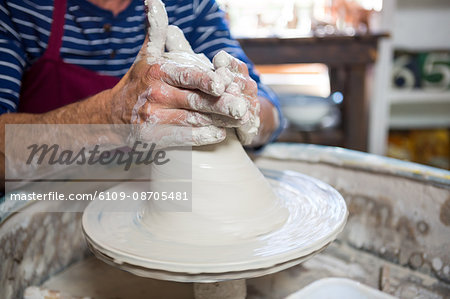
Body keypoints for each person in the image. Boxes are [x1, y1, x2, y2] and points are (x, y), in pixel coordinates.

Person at [0, 0, 283, 181]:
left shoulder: (190, 6)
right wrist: (112, 116)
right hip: (53, 204)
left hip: (167, 200)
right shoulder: (21, 8)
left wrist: (243, 110)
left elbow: (268, 108)